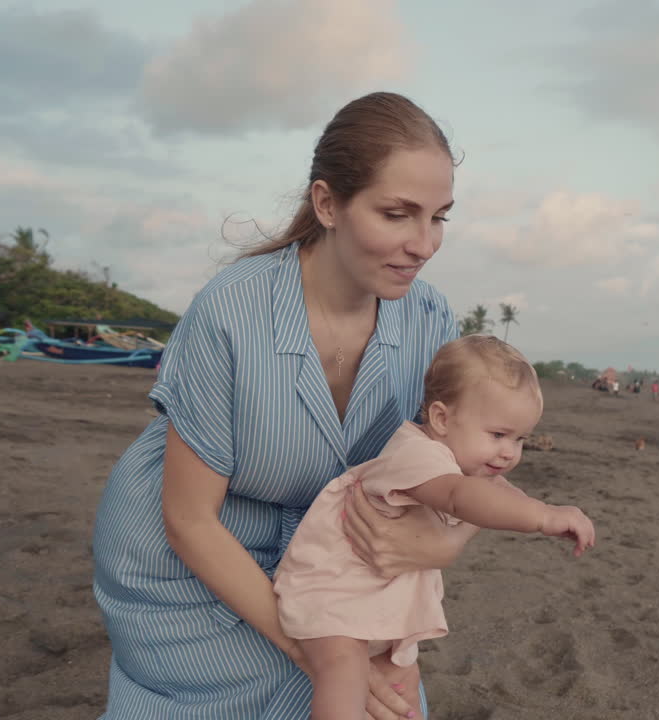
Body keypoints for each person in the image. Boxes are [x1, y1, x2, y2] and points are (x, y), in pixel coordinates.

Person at [92, 92, 474, 720]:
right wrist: (317, 652)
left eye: (439, 218)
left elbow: (458, 467)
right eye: (398, 214)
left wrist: (445, 546)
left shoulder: (431, 320)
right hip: (190, 561)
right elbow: (189, 522)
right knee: (317, 695)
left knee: (393, 708)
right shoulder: (232, 311)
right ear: (328, 203)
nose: (424, 243)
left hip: (329, 559)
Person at [274, 336, 595, 719]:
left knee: (403, 681)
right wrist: (543, 516)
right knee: (343, 671)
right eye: (498, 435)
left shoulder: (468, 465)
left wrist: (536, 509)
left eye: (520, 439)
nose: (510, 452)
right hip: (332, 593)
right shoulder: (417, 453)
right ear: (442, 418)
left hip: (381, 600)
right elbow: (462, 498)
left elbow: (499, 495)